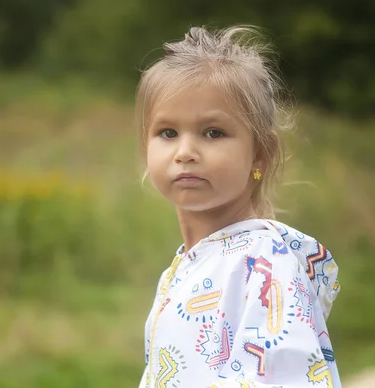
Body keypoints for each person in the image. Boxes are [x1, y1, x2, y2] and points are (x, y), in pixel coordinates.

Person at [135, 26, 342, 387]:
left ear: (259, 153)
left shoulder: (264, 265)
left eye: (213, 132)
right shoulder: (185, 266)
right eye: (168, 133)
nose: (185, 152)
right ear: (146, 147)